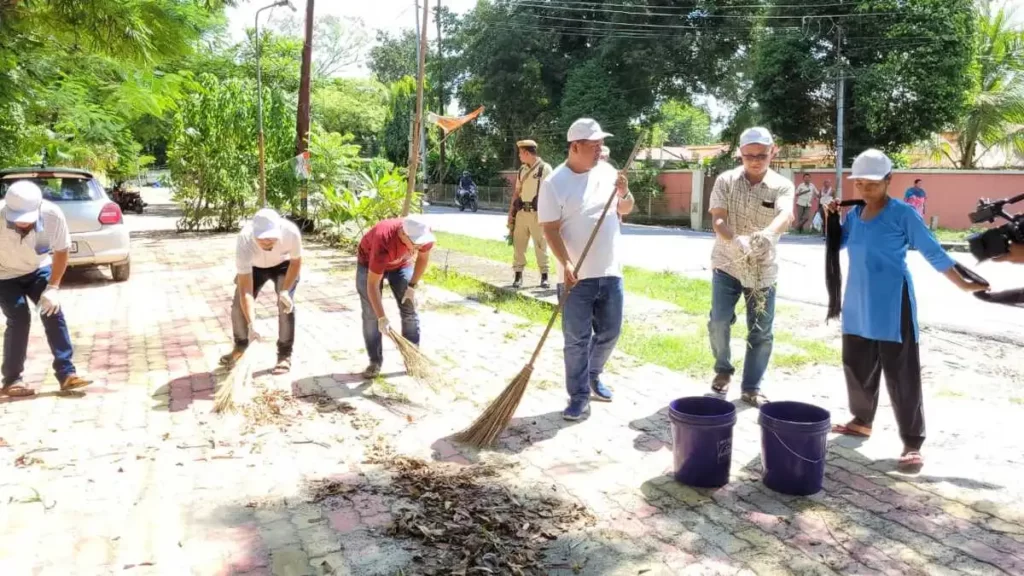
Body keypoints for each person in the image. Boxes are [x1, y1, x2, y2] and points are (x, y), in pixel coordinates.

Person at [825, 150, 986, 471]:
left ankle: (912, 443)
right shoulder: (855, 215)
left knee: (902, 374)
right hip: (857, 301)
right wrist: (832, 219)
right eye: (860, 183)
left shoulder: (903, 214)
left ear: (888, 181)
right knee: (856, 364)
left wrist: (962, 283)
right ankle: (861, 420)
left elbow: (933, 251)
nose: (865, 189)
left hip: (891, 304)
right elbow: (840, 244)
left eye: (872, 183)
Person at [538, 118, 635, 420]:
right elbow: (550, 229)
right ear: (575, 146)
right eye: (593, 146)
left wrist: (624, 193)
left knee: (610, 332)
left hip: (610, 271)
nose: (599, 150)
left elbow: (626, 208)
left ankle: (593, 374)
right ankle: (578, 396)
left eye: (600, 145)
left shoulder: (607, 172)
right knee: (576, 340)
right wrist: (566, 262)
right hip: (575, 278)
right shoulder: (554, 183)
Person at [707, 127, 795, 407]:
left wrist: (767, 235)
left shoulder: (782, 184)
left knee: (760, 329)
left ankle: (751, 387)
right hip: (726, 262)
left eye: (762, 155)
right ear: (740, 155)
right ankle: (723, 368)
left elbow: (786, 213)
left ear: (773, 151)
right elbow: (718, 219)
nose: (756, 160)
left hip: (762, 268)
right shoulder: (726, 180)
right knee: (719, 321)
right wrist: (736, 240)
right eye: (749, 156)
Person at [0, 181, 91, 396]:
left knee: (52, 311)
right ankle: (12, 380)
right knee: (19, 316)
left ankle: (67, 374)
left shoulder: (52, 215)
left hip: (38, 268)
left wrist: (53, 287)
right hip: (3, 274)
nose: (22, 224)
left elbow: (61, 251)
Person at [220, 208, 303, 374]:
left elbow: (296, 262)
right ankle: (241, 346)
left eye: (271, 238)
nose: (267, 242)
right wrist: (251, 324)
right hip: (254, 267)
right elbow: (246, 291)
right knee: (238, 308)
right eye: (262, 239)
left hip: (283, 265)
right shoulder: (244, 239)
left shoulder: (291, 232)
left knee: (285, 306)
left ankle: (284, 355)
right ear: (254, 233)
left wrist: (285, 291)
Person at [356, 216, 435, 378]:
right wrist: (382, 318)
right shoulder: (383, 239)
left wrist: (412, 286)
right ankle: (375, 362)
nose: (419, 246)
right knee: (371, 315)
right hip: (368, 263)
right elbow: (372, 285)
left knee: (409, 308)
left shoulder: (422, 232)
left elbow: (422, 258)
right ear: (403, 235)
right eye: (416, 243)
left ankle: (413, 358)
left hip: (401, 265)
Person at [508, 139, 552, 289]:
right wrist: (511, 212)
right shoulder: (522, 170)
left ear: (527, 153)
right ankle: (518, 276)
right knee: (519, 245)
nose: (520, 156)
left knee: (541, 245)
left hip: (538, 214)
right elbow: (516, 192)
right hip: (522, 212)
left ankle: (544, 276)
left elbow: (551, 194)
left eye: (521, 153)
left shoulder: (545, 169)